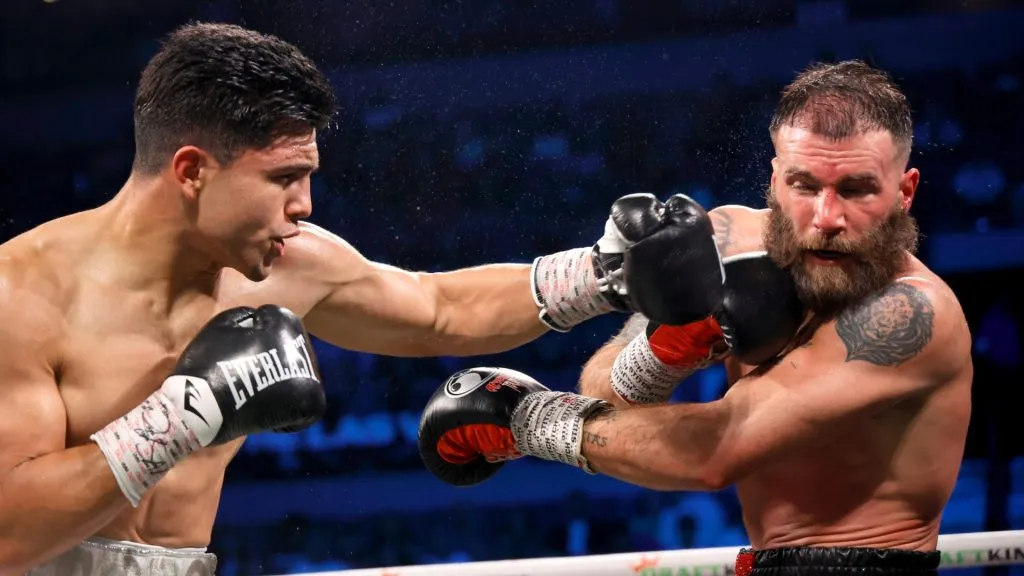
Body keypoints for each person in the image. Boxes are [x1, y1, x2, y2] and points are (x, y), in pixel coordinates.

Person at [0, 22, 695, 576]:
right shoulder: (23, 294)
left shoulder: (284, 264)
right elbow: (7, 535)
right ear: (191, 171)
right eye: (283, 178)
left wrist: (603, 275)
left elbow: (439, 310)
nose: (303, 205)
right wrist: (184, 415)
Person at [419, 60, 974, 576]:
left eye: (856, 189)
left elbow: (716, 454)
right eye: (805, 186)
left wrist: (529, 420)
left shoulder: (913, 313)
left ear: (905, 192)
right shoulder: (730, 238)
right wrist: (664, 349)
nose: (826, 217)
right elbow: (609, 397)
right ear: (776, 180)